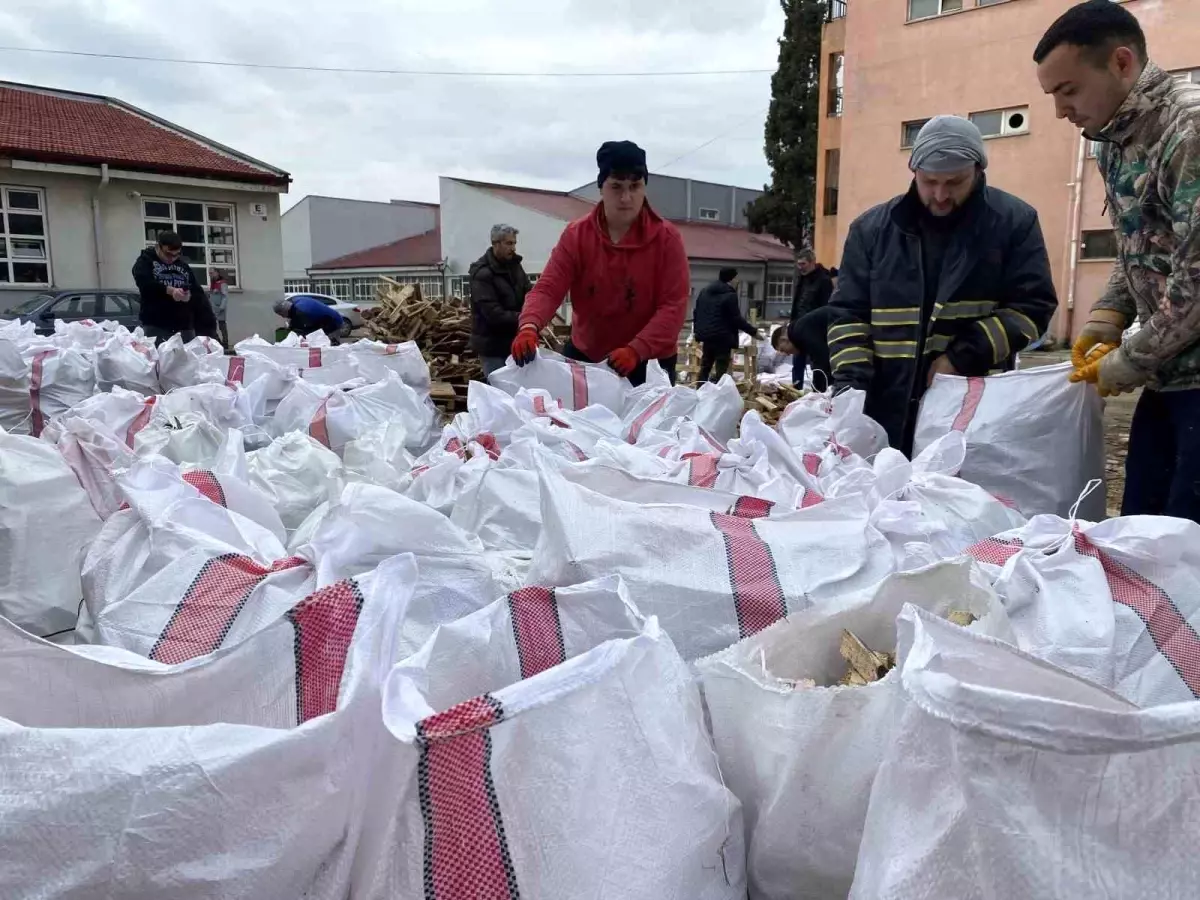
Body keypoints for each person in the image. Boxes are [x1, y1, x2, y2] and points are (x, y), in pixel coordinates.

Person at [1036, 1, 1200, 521]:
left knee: (1184, 547)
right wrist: (1108, 313)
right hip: (1170, 376)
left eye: (1068, 91)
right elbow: (1141, 243)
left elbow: (1195, 283)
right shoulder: (1113, 139)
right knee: (1139, 530)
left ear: (1122, 63)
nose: (1061, 111)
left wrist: (1127, 361)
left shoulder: (1190, 130)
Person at [826, 115, 1058, 455]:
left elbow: (1032, 307)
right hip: (883, 406)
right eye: (929, 181)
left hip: (969, 406)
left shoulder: (1013, 223)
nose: (940, 195)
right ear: (913, 172)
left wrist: (961, 357)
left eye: (955, 182)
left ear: (979, 172)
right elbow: (848, 314)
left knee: (953, 499)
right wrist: (851, 386)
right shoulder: (871, 230)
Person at [511, 140, 689, 386]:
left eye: (635, 186)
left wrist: (636, 350)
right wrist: (529, 326)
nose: (626, 197)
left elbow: (673, 307)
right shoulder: (576, 236)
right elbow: (549, 288)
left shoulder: (667, 240)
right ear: (601, 188)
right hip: (588, 357)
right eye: (616, 186)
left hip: (649, 363)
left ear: (644, 187)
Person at [132, 231, 217, 345]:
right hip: (157, 326)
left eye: (176, 254)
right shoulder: (145, 262)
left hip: (185, 327)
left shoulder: (183, 266)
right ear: (158, 247)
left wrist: (189, 297)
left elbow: (198, 293)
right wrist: (170, 291)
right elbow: (145, 284)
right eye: (168, 254)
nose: (172, 258)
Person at [470, 224, 532, 378]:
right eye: (509, 243)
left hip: (516, 344)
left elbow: (529, 293)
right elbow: (493, 315)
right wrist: (525, 318)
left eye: (514, 243)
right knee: (499, 394)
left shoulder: (515, 266)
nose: (513, 248)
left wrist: (535, 313)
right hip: (493, 349)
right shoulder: (482, 274)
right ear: (495, 243)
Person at [692, 267, 758, 382]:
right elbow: (736, 318)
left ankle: (699, 390)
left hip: (707, 336)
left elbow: (697, 312)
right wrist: (753, 332)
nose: (738, 281)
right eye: (736, 278)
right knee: (721, 370)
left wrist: (698, 332)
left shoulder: (705, 291)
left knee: (705, 366)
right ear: (731, 279)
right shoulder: (730, 295)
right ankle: (719, 393)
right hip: (723, 338)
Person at [789, 249, 834, 388]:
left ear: (812, 262)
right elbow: (797, 303)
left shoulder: (824, 280)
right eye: (798, 264)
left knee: (818, 362)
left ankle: (819, 389)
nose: (800, 267)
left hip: (814, 329)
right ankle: (796, 388)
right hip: (798, 327)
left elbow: (826, 306)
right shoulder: (802, 279)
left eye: (803, 264)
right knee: (797, 361)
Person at [272, 295, 345, 344]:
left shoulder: (301, 312)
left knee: (332, 348)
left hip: (333, 322)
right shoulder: (296, 302)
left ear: (284, 311)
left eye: (281, 314)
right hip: (326, 319)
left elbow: (307, 329)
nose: (282, 317)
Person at [208, 268, 230, 347]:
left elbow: (225, 296)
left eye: (212, 273)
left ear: (217, 273)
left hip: (219, 308)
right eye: (209, 273)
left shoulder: (222, 283)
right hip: (213, 307)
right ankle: (217, 341)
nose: (210, 275)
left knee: (222, 325)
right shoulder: (213, 282)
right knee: (212, 325)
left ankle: (225, 342)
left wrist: (221, 307)